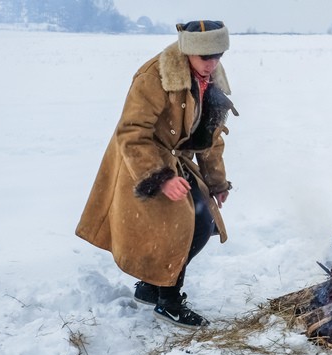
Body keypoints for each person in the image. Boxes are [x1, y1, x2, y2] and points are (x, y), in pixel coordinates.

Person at [76, 20, 237, 328]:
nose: (213, 64)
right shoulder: (155, 76)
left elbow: (211, 135)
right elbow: (132, 131)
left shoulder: (212, 77)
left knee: (203, 223)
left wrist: (217, 182)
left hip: (177, 160)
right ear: (188, 51)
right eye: (206, 57)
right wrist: (160, 177)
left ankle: (153, 286)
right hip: (141, 161)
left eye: (219, 56)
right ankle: (169, 302)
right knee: (183, 226)